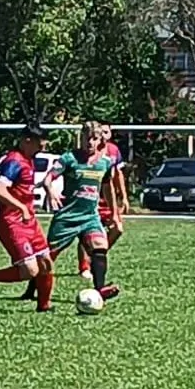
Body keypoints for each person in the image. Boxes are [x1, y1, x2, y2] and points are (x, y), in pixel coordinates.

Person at [0, 124, 55, 312]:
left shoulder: (29, 159)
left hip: (29, 221)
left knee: (46, 262)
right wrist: (21, 207)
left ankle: (44, 306)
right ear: (27, 141)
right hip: (12, 222)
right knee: (29, 270)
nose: (42, 149)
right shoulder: (14, 161)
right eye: (40, 145)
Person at [40, 122, 121, 302]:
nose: (90, 142)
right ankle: (32, 290)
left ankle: (100, 289)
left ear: (100, 140)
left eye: (94, 138)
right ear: (81, 138)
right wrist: (50, 191)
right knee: (47, 257)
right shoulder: (69, 159)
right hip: (67, 216)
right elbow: (48, 178)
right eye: (87, 138)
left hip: (90, 216)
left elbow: (108, 188)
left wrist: (114, 213)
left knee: (100, 246)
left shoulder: (105, 163)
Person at [80, 122, 128, 279]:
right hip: (90, 197)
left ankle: (97, 256)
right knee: (86, 232)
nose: (105, 135)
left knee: (117, 228)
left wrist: (124, 197)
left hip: (107, 197)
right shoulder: (88, 152)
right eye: (103, 132)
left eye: (107, 132)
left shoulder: (113, 150)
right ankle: (85, 266)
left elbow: (117, 174)